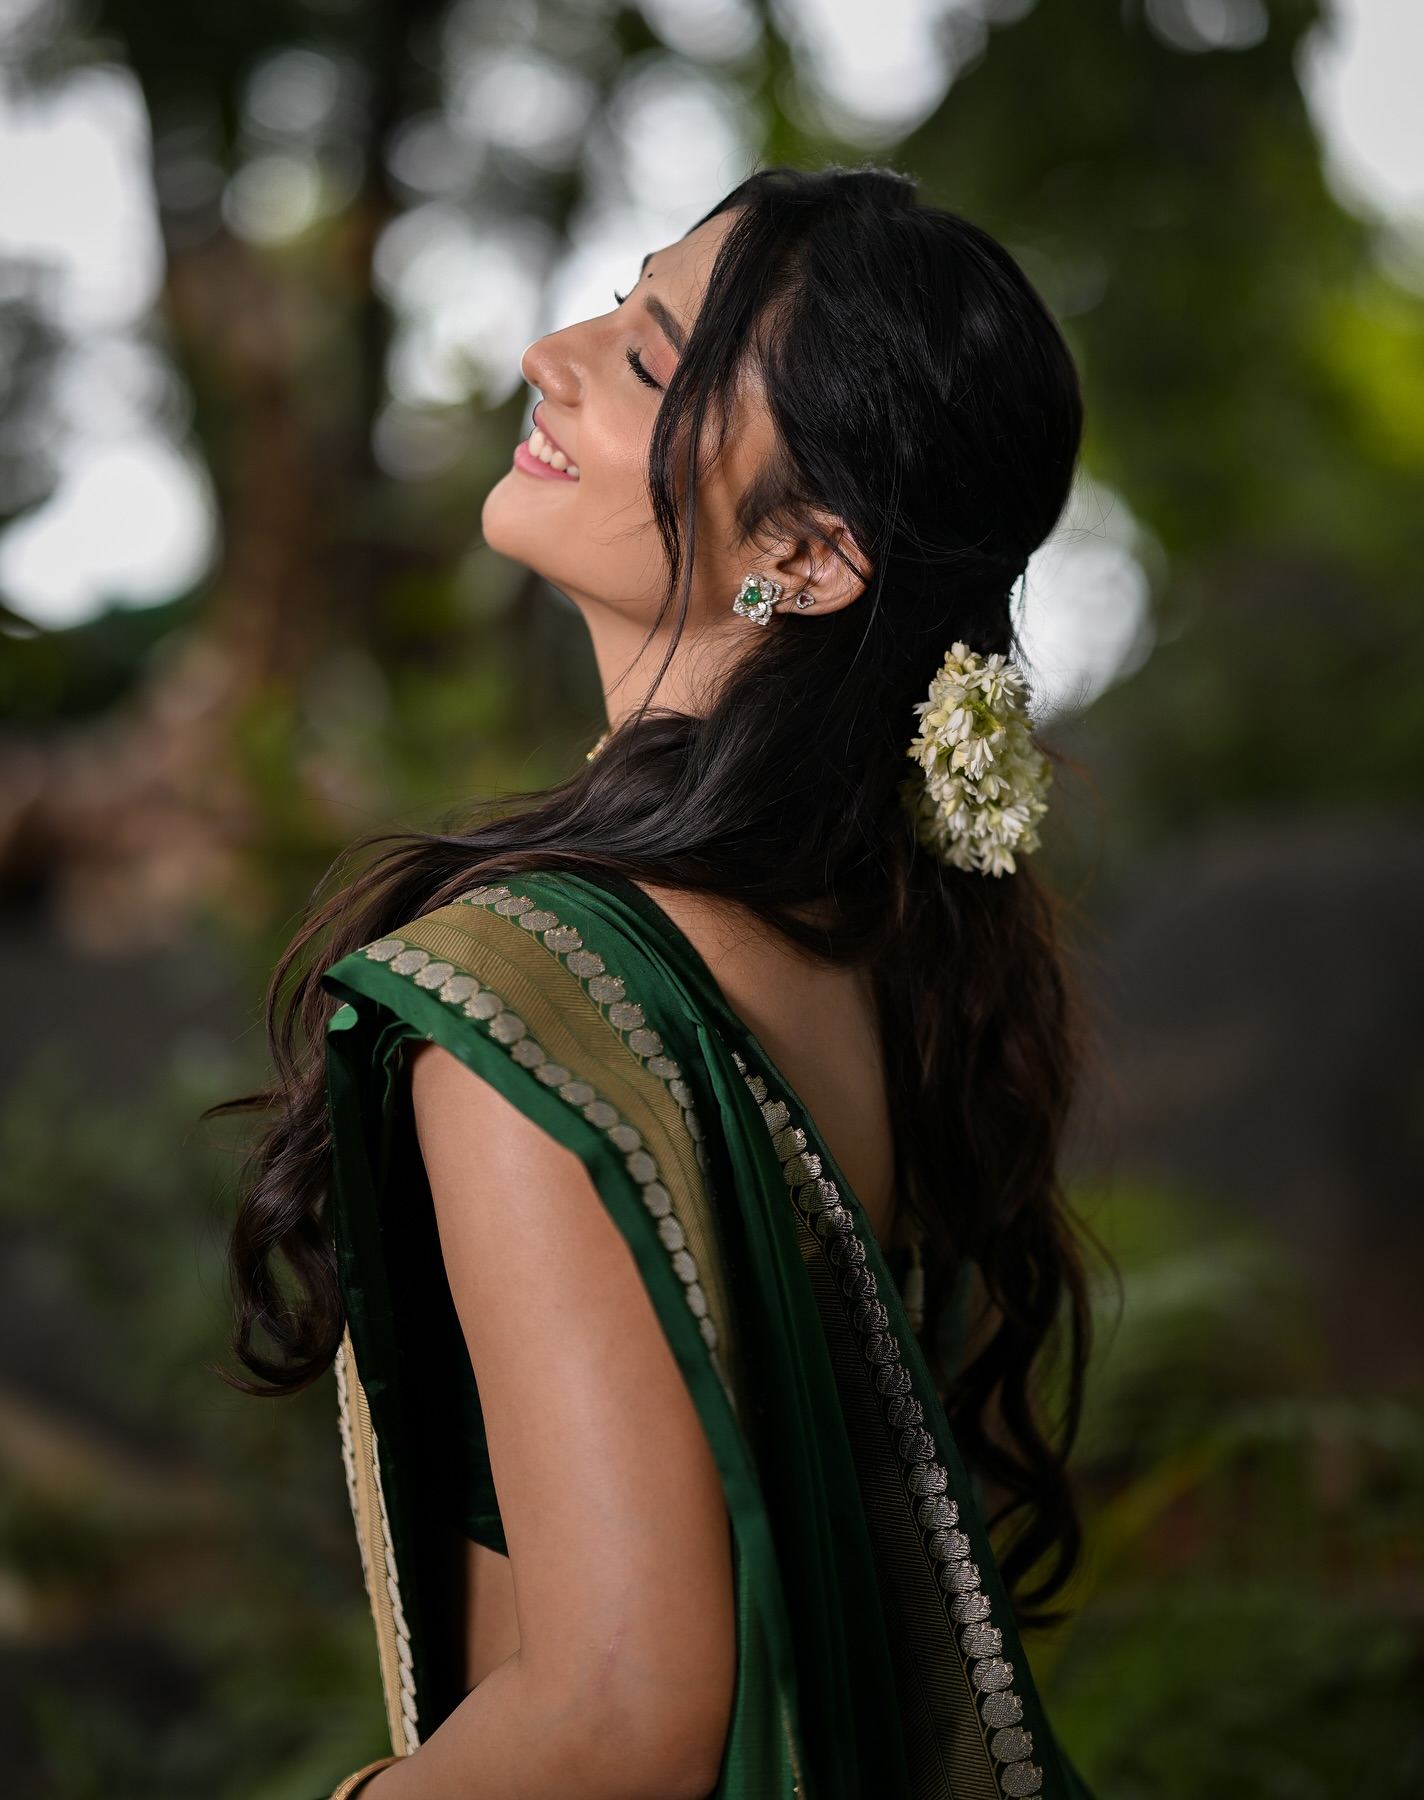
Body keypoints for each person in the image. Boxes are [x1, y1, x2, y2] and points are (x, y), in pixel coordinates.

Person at [214, 162, 1099, 1799]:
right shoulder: (876, 958)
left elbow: (627, 1709)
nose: (550, 349)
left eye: (644, 360)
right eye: (620, 307)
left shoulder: (536, 992)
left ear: (812, 555)